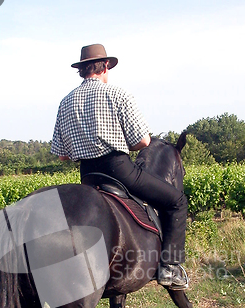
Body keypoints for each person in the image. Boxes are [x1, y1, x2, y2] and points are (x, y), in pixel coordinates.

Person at [51, 44, 188, 289]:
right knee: (176, 201)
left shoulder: (65, 102)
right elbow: (143, 141)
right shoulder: (117, 94)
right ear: (105, 66)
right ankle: (169, 267)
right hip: (119, 171)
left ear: (82, 70)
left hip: (88, 177)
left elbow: (62, 156)